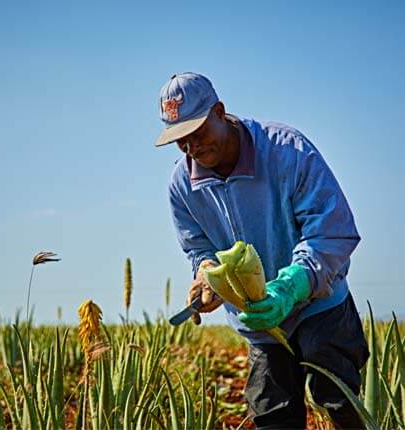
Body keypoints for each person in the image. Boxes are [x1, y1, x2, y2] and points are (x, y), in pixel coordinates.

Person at [155, 72, 369, 429]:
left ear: (220, 112)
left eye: (198, 132)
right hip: (258, 322)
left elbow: (332, 231)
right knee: (272, 415)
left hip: (320, 305)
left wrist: (289, 287)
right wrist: (207, 279)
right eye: (180, 140)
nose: (192, 147)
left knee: (339, 405)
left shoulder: (287, 151)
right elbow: (198, 246)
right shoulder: (181, 186)